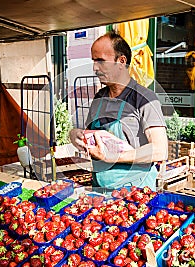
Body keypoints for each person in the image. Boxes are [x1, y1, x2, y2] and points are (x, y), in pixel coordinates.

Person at [69, 31, 168, 191]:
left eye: (101, 61)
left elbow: (159, 150)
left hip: (135, 192)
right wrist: (75, 134)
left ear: (121, 61)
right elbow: (90, 135)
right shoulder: (99, 98)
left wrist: (114, 157)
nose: (95, 68)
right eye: (94, 61)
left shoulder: (144, 99)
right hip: (100, 189)